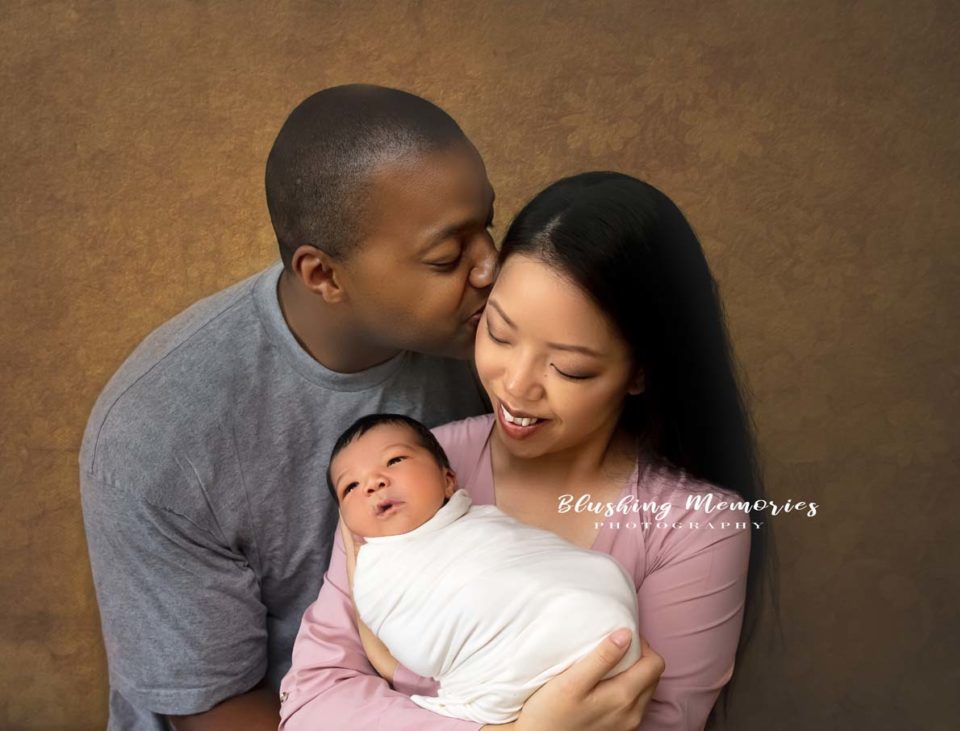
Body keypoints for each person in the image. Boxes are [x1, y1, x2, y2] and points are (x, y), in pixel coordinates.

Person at [281, 172, 775, 730]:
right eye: (499, 333)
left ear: (640, 372)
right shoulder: (406, 469)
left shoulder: (694, 530)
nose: (515, 386)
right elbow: (311, 704)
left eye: (568, 367)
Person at [79, 84, 500, 730]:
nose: (490, 268)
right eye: (448, 256)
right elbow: (215, 715)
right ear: (324, 275)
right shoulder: (159, 435)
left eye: (488, 227)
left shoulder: (490, 343)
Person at [327, 413, 642, 724]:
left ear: (448, 480)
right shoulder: (374, 573)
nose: (372, 483)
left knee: (598, 575)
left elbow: (528, 561)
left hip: (597, 627)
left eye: (395, 460)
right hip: (511, 676)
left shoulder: (483, 522)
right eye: (350, 486)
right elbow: (413, 644)